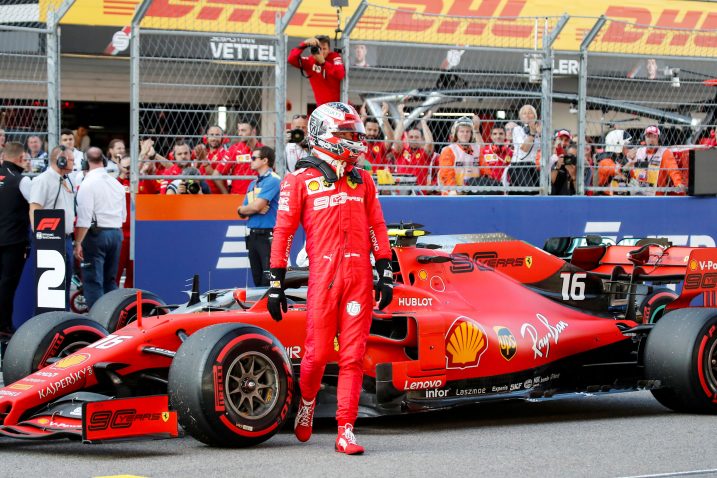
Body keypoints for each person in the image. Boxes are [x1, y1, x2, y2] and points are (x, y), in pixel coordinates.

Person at [267, 102, 393, 455]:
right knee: (318, 353)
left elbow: (376, 226)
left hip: (359, 277)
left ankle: (346, 431)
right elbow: (283, 232)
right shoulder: (298, 180)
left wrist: (385, 268)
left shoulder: (363, 178)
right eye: (347, 134)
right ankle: (306, 402)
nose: (355, 140)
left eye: (356, 134)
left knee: (353, 356)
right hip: (323, 278)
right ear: (324, 135)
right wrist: (276, 283)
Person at [74, 147, 126, 308]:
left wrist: (78, 243)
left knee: (93, 281)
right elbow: (123, 216)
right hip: (116, 233)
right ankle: (112, 317)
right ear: (103, 161)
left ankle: (97, 321)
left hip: (96, 235)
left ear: (85, 164)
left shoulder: (87, 184)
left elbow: (84, 218)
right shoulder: (116, 184)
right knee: (110, 280)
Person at [29, 145, 76, 308]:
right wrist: (42, 238)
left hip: (66, 239)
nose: (74, 164)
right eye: (71, 160)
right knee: (52, 291)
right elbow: (34, 208)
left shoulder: (66, 180)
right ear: (60, 161)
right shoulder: (43, 180)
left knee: (64, 286)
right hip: (51, 241)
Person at [0, 142, 32, 335]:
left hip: (9, 238)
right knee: (7, 284)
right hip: (14, 241)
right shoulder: (22, 180)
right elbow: (37, 205)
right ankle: (3, 325)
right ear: (21, 158)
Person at [237, 146, 281, 287]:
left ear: (265, 160)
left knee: (267, 280)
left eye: (254, 158)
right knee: (257, 279)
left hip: (268, 236)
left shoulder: (273, 179)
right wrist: (251, 209)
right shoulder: (253, 183)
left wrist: (252, 208)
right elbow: (241, 211)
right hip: (253, 236)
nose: (251, 161)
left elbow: (255, 206)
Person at [116, 155, 159, 288]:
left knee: (134, 274)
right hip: (121, 235)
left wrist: (144, 174)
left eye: (131, 167)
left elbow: (157, 193)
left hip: (140, 235)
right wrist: (122, 175)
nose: (128, 170)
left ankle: (130, 303)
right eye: (126, 167)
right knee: (115, 272)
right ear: (119, 166)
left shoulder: (144, 181)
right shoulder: (116, 183)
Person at [438, 116, 492, 194]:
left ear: (471, 134)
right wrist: (455, 190)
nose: (465, 134)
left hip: (474, 191)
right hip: (453, 192)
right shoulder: (449, 150)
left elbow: (485, 171)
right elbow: (446, 174)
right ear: (456, 133)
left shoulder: (477, 149)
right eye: (461, 131)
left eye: (468, 131)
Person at [287, 35, 344, 106]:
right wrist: (304, 44)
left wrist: (323, 62)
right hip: (322, 108)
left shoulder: (334, 56)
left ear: (329, 49)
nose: (322, 52)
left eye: (324, 49)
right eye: (319, 48)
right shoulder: (310, 61)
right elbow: (291, 59)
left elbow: (340, 74)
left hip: (340, 105)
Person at [631, 125, 686, 195]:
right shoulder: (639, 151)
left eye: (654, 136)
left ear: (659, 139)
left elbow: (673, 170)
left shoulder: (665, 153)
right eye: (648, 136)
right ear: (644, 139)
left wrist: (678, 183)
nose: (651, 139)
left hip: (656, 194)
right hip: (638, 191)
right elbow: (632, 172)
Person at [216, 120, 264, 194]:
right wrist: (226, 195)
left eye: (243, 130)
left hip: (259, 197)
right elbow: (216, 174)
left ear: (253, 131)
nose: (240, 134)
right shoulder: (234, 149)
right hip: (238, 197)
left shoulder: (264, 149)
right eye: (239, 130)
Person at [393, 109, 435, 187]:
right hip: (401, 193)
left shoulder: (424, 153)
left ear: (422, 139)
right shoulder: (402, 151)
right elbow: (396, 139)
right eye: (411, 137)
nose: (413, 139)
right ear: (407, 139)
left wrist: (423, 122)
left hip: (419, 193)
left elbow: (429, 142)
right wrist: (402, 118)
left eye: (416, 137)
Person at [509, 104, 541, 189]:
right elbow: (524, 148)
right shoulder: (518, 129)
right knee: (527, 191)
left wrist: (541, 134)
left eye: (530, 112)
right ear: (520, 117)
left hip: (532, 164)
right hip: (518, 165)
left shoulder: (539, 131)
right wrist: (532, 133)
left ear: (535, 115)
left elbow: (544, 149)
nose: (527, 115)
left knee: (536, 192)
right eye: (524, 113)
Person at [596, 129, 636, 196]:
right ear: (617, 144)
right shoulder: (604, 160)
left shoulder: (622, 159)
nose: (628, 148)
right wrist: (625, 168)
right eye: (626, 145)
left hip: (621, 196)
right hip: (607, 198)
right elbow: (614, 169)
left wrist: (633, 162)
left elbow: (632, 177)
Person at [196, 125, 229, 194]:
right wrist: (198, 160)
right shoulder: (204, 152)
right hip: (201, 195)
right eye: (211, 135)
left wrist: (204, 159)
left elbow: (214, 174)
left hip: (217, 195)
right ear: (207, 137)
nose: (214, 138)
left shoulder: (225, 154)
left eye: (217, 135)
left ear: (222, 137)